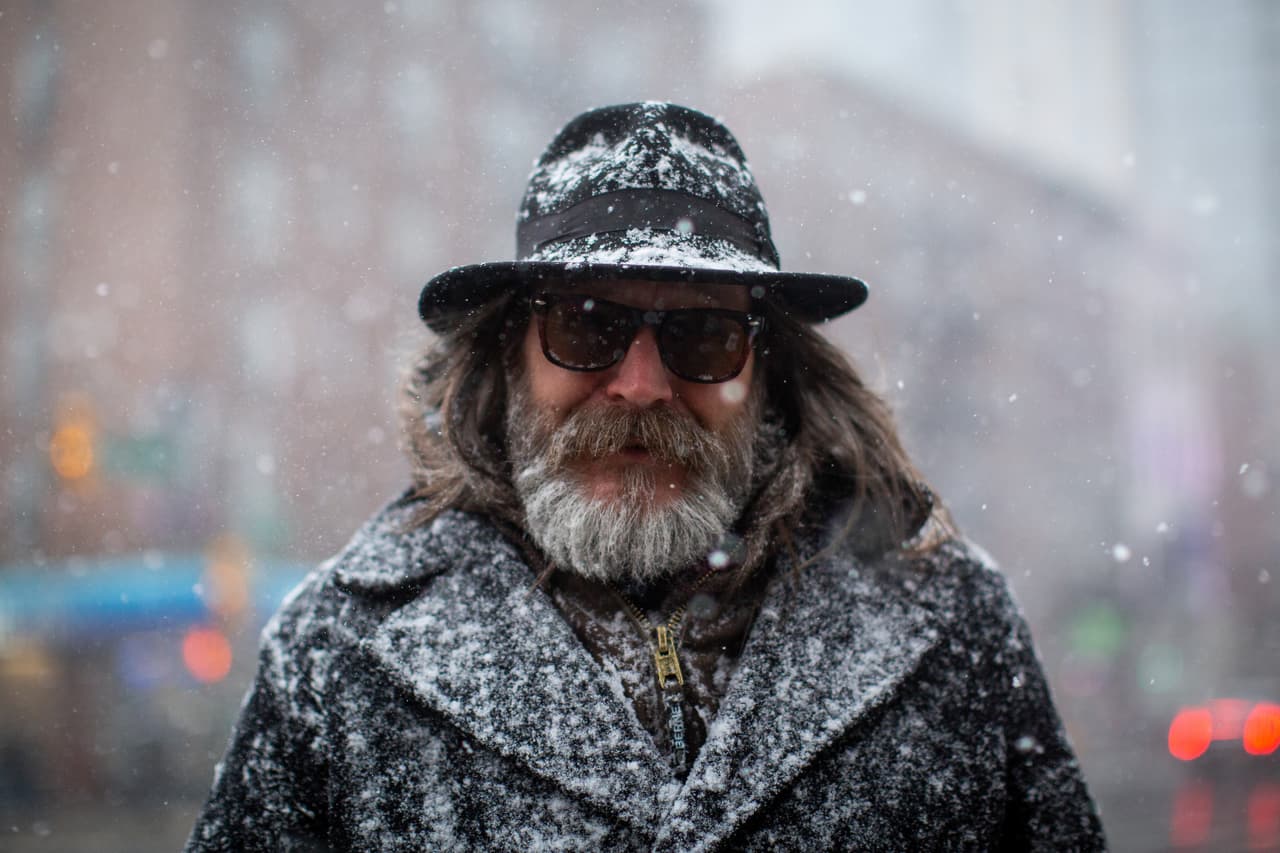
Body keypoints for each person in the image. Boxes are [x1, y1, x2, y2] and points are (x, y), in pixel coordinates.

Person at [186, 102, 1106, 851]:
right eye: (587, 324)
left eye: (702, 334)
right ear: (510, 357)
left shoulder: (949, 626)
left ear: (767, 371)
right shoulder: (339, 654)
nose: (641, 383)